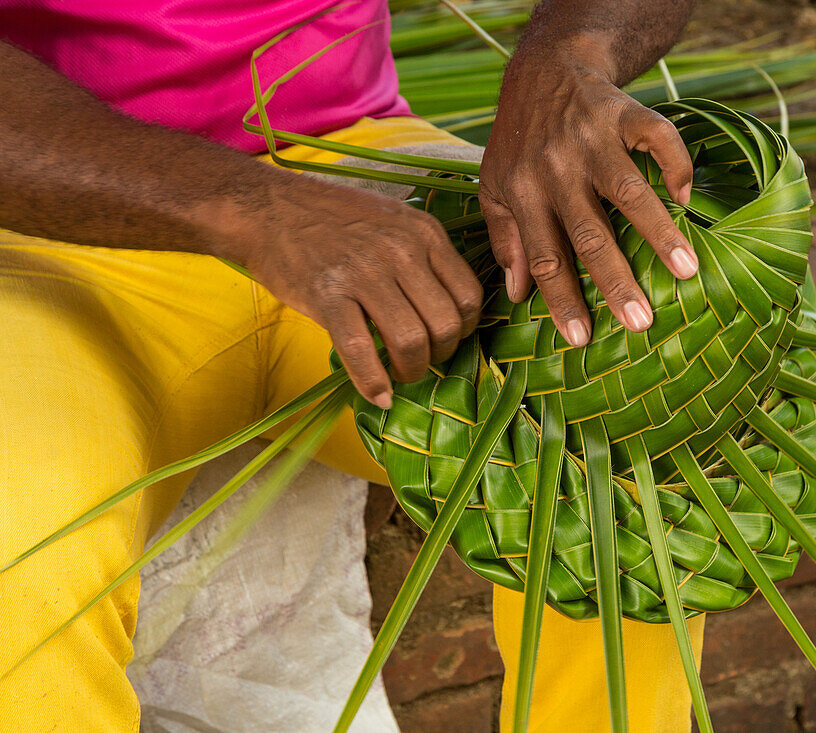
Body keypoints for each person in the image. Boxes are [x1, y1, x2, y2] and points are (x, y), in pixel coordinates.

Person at [0, 1, 706, 730]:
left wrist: (572, 52)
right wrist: (252, 207)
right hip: (61, 219)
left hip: (357, 159)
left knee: (633, 397)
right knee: (15, 554)